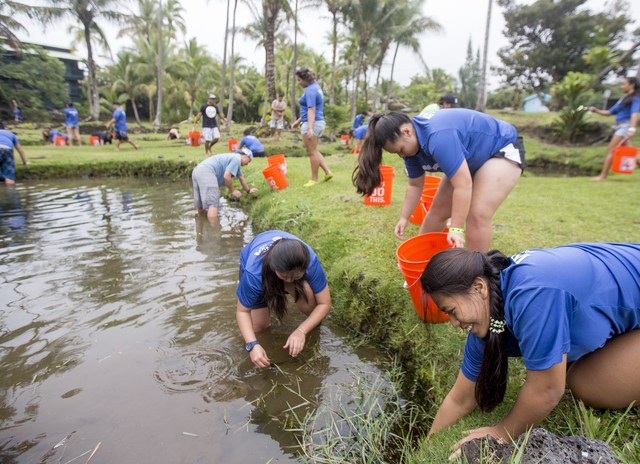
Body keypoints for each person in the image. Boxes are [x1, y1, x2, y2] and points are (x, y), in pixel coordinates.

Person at [421, 244, 640, 459]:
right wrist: (425, 447)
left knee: (584, 383)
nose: (454, 324)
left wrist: (501, 433)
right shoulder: (488, 312)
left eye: (452, 311)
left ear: (479, 288)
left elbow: (547, 390)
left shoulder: (533, 295)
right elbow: (460, 399)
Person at [352, 110, 525, 252]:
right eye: (397, 153)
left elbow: (463, 186)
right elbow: (414, 185)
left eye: (401, 150)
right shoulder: (410, 148)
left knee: (476, 214)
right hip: (471, 156)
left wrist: (456, 229)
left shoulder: (438, 136)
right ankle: (421, 258)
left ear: (407, 132)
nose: (402, 155)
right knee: (437, 210)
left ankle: (475, 274)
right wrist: (404, 218)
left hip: (500, 146)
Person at [236, 230, 331, 368]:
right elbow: (242, 312)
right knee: (259, 327)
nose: (290, 281)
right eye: (284, 277)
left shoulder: (310, 261)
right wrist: (252, 345)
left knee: (309, 296)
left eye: (296, 277)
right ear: (274, 269)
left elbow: (324, 303)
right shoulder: (254, 274)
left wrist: (301, 331)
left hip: (286, 267)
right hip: (263, 274)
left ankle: (311, 322)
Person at [589, 77, 639, 181]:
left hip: (625, 126)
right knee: (631, 152)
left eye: (624, 84)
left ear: (632, 85)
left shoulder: (635, 98)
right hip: (619, 127)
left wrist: (632, 129)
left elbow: (634, 114)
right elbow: (609, 112)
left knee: (611, 149)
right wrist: (596, 110)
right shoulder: (623, 100)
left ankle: (603, 176)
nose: (622, 86)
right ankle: (603, 176)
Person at [291, 68, 333, 187]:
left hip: (313, 123)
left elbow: (312, 109)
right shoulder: (315, 86)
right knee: (313, 150)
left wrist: (309, 128)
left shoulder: (310, 90)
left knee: (311, 152)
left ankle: (314, 179)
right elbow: (308, 109)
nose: (298, 82)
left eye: (299, 80)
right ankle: (327, 171)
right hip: (318, 122)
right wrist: (298, 121)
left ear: (305, 79)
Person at [192, 147, 258, 220]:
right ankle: (212, 228)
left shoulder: (233, 159)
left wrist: (248, 190)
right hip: (207, 171)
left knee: (200, 205)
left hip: (197, 171)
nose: (247, 164)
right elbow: (226, 176)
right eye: (249, 161)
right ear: (246, 156)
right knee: (213, 204)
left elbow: (241, 178)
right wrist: (233, 191)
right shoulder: (236, 160)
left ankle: (201, 223)